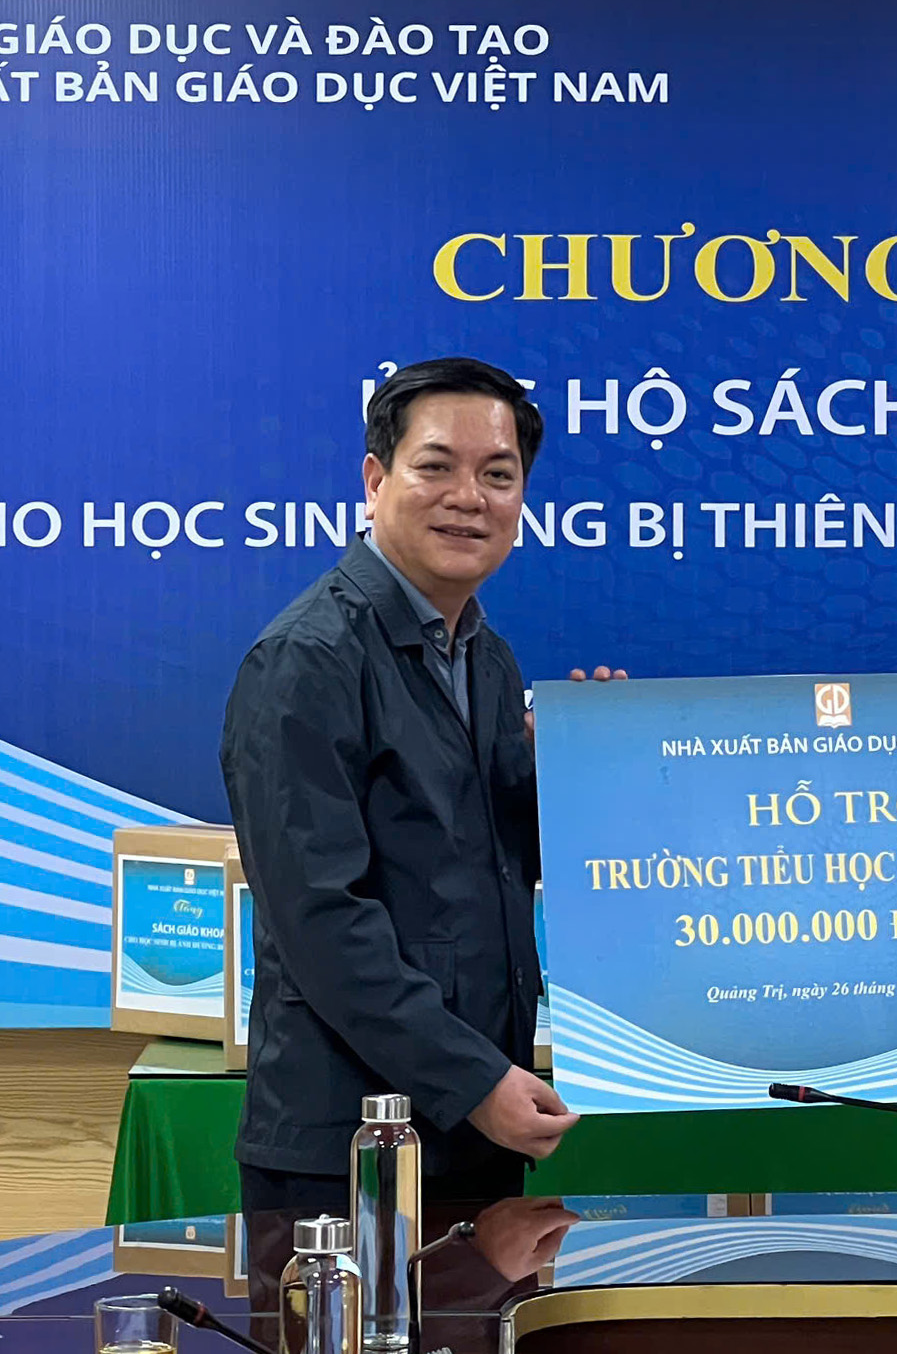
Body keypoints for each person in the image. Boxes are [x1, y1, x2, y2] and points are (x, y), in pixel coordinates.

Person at [221, 357, 611, 1214]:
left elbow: (479, 863)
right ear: (375, 480)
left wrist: (580, 779)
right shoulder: (307, 660)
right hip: (351, 1144)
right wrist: (474, 1080)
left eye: (498, 475)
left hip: (474, 1124)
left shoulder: (487, 657)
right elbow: (323, 920)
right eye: (436, 466)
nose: (469, 497)